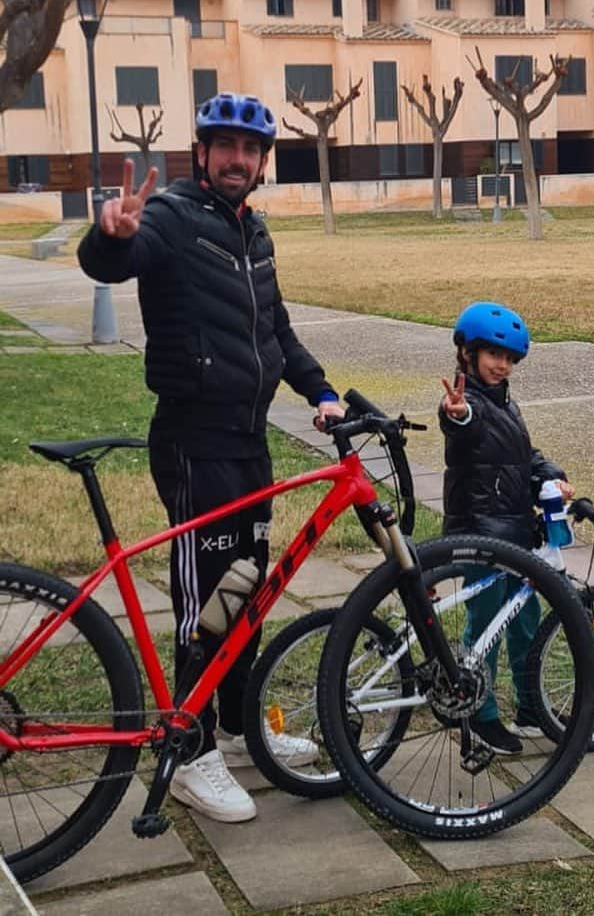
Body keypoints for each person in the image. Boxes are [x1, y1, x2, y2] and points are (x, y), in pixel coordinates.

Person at [78, 92, 343, 823]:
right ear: (201, 153)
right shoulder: (172, 217)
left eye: (250, 149)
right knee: (206, 604)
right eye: (224, 145)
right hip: (195, 440)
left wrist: (320, 391)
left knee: (246, 594)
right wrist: (108, 233)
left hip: (248, 439)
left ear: (262, 162)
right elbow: (116, 257)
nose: (238, 159)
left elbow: (277, 330)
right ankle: (190, 753)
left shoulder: (253, 233)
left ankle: (236, 725)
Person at [439, 301, 574, 755]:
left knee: (525, 620)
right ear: (467, 354)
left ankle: (532, 706)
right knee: (487, 626)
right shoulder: (471, 403)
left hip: (515, 534)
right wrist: (455, 412)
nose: (503, 365)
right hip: (481, 535)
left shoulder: (505, 403)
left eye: (511, 359)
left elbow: (524, 455)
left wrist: (551, 473)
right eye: (494, 355)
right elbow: (461, 425)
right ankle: (481, 714)